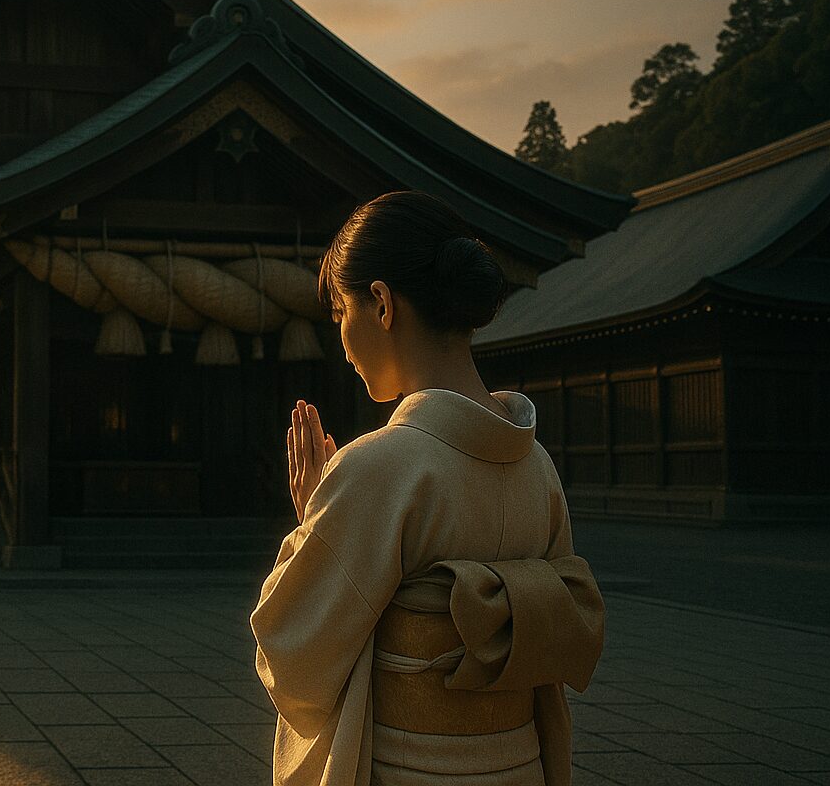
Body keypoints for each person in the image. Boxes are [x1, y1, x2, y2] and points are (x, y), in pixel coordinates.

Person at [251, 191, 604, 786]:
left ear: (382, 303)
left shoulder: (376, 470)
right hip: (519, 766)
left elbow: (295, 663)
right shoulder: (539, 467)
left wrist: (315, 520)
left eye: (341, 312)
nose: (341, 339)